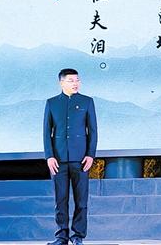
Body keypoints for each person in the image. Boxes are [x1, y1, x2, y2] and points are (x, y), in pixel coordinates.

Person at [43, 68, 98, 245]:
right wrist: (49, 156)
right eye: (71, 80)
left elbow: (93, 131)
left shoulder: (87, 102)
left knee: (81, 200)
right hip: (58, 160)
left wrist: (90, 155)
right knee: (61, 200)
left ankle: (78, 236)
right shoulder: (52, 103)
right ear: (61, 83)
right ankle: (61, 236)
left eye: (77, 80)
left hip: (81, 159)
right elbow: (46, 132)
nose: (76, 83)